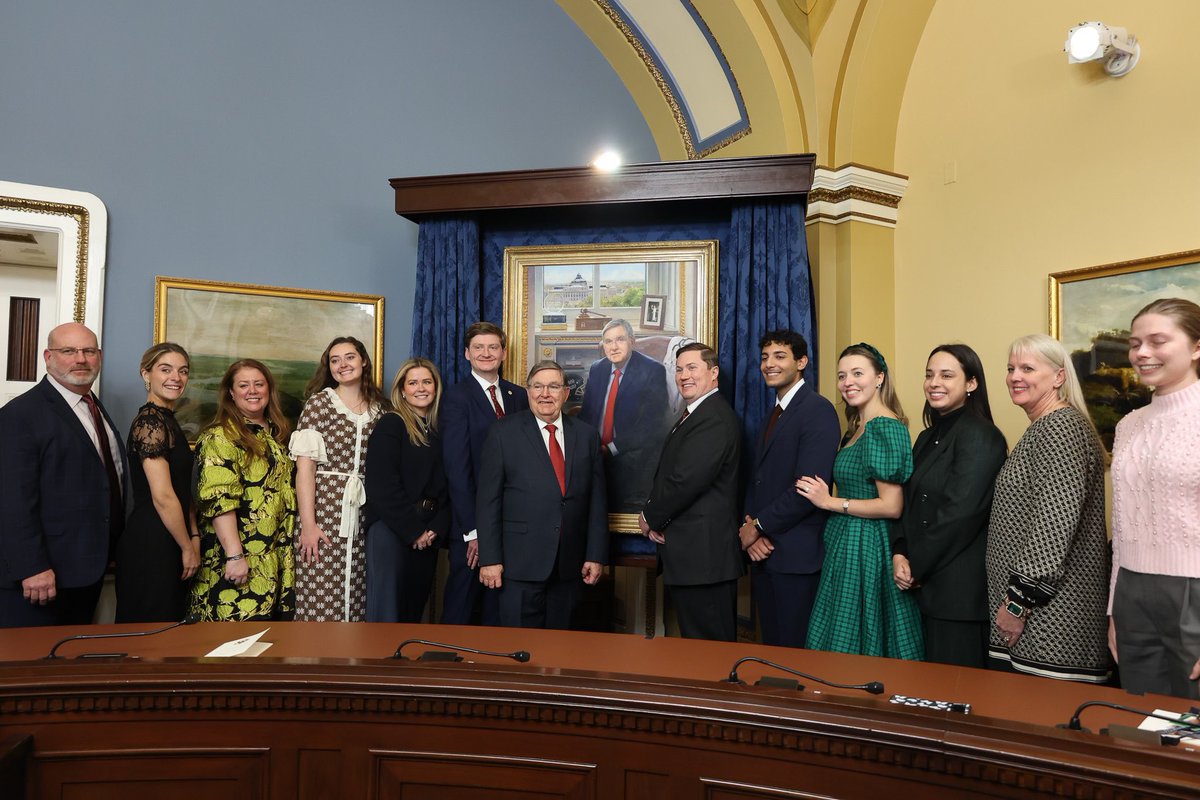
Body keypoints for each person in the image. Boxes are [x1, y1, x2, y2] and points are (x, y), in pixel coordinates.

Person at [985, 334, 1109, 682]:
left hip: (1050, 622)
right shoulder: (1045, 426)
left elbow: (1053, 528)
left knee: (1041, 714)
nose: (1015, 377)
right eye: (1011, 368)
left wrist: (1017, 604)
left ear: (1058, 377)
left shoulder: (1059, 427)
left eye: (1027, 368)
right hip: (1037, 619)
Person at [796, 343, 922, 660]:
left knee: (858, 640)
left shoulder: (885, 427)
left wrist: (829, 502)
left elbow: (891, 505)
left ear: (879, 378)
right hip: (846, 541)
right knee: (840, 635)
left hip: (867, 546)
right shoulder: (857, 427)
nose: (847, 382)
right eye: (842, 376)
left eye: (857, 373)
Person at [0, 323, 128, 627]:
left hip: (85, 571)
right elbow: (12, 499)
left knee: (73, 655)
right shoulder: (20, 414)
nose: (80, 359)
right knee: (32, 658)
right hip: (40, 578)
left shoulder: (93, 407)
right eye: (69, 351)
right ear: (48, 357)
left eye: (88, 351)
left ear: (99, 356)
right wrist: (31, 566)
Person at [892, 344, 1007, 667]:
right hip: (922, 588)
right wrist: (899, 552)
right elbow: (906, 502)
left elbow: (960, 514)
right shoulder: (926, 438)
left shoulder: (983, 436)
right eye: (929, 375)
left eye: (946, 375)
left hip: (958, 596)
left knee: (954, 691)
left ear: (971, 383)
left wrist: (916, 564)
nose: (934, 383)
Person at [1109, 298, 1200, 698]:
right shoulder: (1129, 425)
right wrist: (1114, 610)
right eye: (1135, 344)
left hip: (1193, 590)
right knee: (1142, 718)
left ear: (1196, 347)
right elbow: (1122, 522)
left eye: (1157, 341)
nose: (1142, 353)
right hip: (1131, 592)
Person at [477, 360, 608, 629]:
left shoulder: (587, 436)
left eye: (553, 387)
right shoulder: (503, 433)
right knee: (519, 646)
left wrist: (595, 555)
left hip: (569, 567)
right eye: (537, 386)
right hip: (518, 566)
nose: (545, 394)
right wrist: (490, 559)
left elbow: (597, 502)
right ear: (528, 391)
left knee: (562, 647)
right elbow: (488, 502)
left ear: (566, 393)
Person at [740, 330, 840, 648]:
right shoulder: (774, 412)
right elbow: (758, 480)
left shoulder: (817, 410)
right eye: (765, 357)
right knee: (773, 649)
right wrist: (751, 529)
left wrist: (757, 527)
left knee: (795, 654)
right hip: (765, 553)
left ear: (802, 362)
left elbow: (807, 490)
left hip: (796, 557)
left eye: (780, 356)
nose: (769, 364)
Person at [640, 343, 742, 641]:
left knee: (710, 649)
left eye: (692, 368)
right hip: (695, 558)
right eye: (679, 369)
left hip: (705, 560)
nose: (684, 376)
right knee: (699, 647)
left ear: (714, 372)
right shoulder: (696, 414)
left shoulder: (713, 418)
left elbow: (685, 481)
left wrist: (650, 517)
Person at [191, 359, 296, 621]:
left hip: (275, 561)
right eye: (243, 385)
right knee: (235, 639)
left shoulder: (277, 436)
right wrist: (235, 556)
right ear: (231, 392)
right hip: (238, 560)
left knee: (273, 641)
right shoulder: (221, 437)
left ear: (269, 389)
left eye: (259, 384)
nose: (252, 391)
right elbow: (220, 501)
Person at [289, 336, 386, 621]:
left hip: (364, 514)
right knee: (320, 591)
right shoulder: (319, 404)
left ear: (363, 360)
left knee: (360, 593)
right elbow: (305, 469)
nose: (342, 364)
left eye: (349, 357)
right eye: (335, 360)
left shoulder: (381, 409)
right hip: (325, 512)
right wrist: (309, 525)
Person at [440, 321, 529, 625]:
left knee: (500, 609)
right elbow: (457, 468)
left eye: (493, 347)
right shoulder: (456, 397)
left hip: (512, 523)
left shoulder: (519, 396)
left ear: (504, 353)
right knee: (462, 604)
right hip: (473, 525)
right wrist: (474, 531)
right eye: (478, 347)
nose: (486, 353)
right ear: (467, 354)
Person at [115, 343, 200, 622]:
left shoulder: (167, 420)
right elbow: (163, 496)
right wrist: (187, 547)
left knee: (170, 628)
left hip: (172, 536)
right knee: (150, 631)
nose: (176, 377)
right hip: (152, 542)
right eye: (166, 369)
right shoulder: (149, 422)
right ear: (146, 374)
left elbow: (182, 489)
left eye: (183, 371)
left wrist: (194, 536)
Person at [364, 358, 449, 623]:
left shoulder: (440, 428)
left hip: (428, 533)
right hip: (393, 530)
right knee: (387, 614)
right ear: (402, 390)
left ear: (436, 387)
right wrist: (414, 531)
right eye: (413, 383)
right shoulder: (392, 425)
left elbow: (450, 486)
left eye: (427, 382)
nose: (420, 388)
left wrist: (436, 527)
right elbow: (382, 487)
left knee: (413, 612)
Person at [578, 319, 669, 512]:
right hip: (596, 450)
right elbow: (587, 414)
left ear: (632, 342)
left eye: (620, 339)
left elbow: (651, 426)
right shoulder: (597, 369)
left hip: (632, 455)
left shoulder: (653, 371)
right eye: (608, 341)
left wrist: (609, 449)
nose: (614, 347)